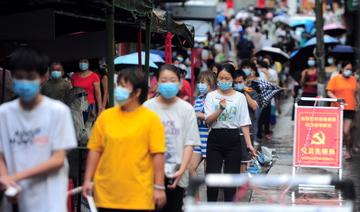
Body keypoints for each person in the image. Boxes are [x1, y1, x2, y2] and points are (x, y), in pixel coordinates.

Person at [0, 47, 77, 212]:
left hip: (48, 202)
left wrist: (16, 177)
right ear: (11, 77)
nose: (24, 83)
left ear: (43, 78)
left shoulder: (58, 112)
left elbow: (57, 160)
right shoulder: (4, 113)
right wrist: (5, 179)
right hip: (14, 201)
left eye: (30, 78)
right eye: (19, 77)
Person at [83, 67, 167, 211]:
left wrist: (159, 187)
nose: (118, 90)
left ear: (137, 92)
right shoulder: (105, 117)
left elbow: (157, 155)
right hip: (106, 195)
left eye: (123, 86)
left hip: (139, 196)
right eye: (118, 86)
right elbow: (95, 150)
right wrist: (87, 180)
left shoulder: (151, 119)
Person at [143, 64, 200, 212]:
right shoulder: (147, 107)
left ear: (180, 82)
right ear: (157, 83)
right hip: (150, 173)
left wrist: (182, 170)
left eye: (172, 80)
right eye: (164, 80)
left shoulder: (187, 109)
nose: (168, 83)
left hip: (177, 174)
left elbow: (189, 143)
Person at [204, 63, 256, 202]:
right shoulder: (211, 96)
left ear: (232, 79)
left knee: (231, 178)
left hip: (233, 139)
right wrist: (220, 109)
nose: (224, 81)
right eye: (221, 78)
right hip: (215, 137)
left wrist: (249, 144)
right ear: (217, 78)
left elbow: (244, 122)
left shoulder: (239, 97)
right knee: (212, 177)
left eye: (227, 78)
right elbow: (208, 120)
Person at [327, 61, 359, 160]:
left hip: (350, 108)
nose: (348, 71)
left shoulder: (353, 80)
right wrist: (336, 99)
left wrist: (357, 103)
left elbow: (355, 93)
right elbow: (329, 92)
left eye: (350, 69)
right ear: (342, 69)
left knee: (346, 131)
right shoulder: (335, 79)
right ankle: (334, 151)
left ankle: (348, 150)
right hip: (337, 108)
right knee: (335, 131)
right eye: (347, 69)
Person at [189, 71, 216, 178]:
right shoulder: (199, 99)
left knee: (208, 172)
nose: (200, 85)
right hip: (198, 137)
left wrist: (197, 114)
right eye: (199, 82)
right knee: (191, 168)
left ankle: (212, 195)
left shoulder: (213, 98)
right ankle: (196, 195)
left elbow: (211, 116)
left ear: (211, 84)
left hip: (209, 137)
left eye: (203, 82)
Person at [233, 70, 258, 172]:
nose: (238, 84)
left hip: (247, 130)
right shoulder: (231, 93)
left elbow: (254, 106)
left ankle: (241, 184)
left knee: (244, 160)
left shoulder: (251, 92)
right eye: (236, 82)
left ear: (245, 81)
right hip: (233, 129)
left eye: (240, 82)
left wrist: (244, 93)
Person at [71, 59, 103, 123]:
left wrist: (100, 108)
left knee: (87, 126)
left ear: (88, 64)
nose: (82, 63)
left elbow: (98, 94)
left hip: (89, 104)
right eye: (81, 61)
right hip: (76, 106)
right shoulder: (74, 76)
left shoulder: (94, 76)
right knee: (78, 126)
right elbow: (72, 92)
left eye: (85, 61)